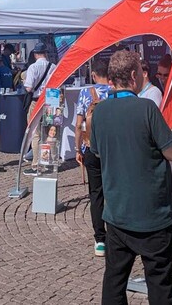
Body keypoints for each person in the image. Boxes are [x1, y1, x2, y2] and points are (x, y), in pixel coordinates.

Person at [90, 50, 172, 305]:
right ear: (133, 75)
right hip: (151, 214)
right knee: (160, 283)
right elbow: (171, 152)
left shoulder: (101, 111)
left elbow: (96, 151)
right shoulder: (146, 108)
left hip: (117, 213)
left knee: (114, 283)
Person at [74, 58, 112, 257]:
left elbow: (79, 124)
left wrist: (78, 149)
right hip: (113, 150)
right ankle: (117, 234)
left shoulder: (85, 93)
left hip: (92, 148)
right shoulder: (115, 92)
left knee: (96, 194)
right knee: (114, 191)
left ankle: (100, 240)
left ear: (94, 75)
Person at [22, 43, 55, 176]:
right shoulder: (53, 67)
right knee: (48, 133)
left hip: (36, 102)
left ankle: (36, 165)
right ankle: (47, 162)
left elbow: (29, 88)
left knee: (35, 134)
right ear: (46, 53)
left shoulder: (33, 67)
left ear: (35, 54)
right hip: (50, 101)